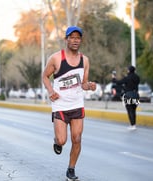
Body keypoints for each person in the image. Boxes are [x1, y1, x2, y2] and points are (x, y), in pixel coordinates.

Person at [42, 26, 96, 180]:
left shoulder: (84, 60)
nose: (75, 40)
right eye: (71, 37)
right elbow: (45, 76)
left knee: (77, 138)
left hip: (77, 104)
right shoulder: (56, 58)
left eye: (77, 38)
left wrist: (90, 86)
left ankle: (71, 169)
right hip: (60, 105)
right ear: (66, 39)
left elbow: (83, 84)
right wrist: (51, 91)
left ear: (81, 40)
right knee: (62, 140)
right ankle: (56, 142)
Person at [112, 65, 140, 130]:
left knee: (129, 110)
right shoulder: (137, 77)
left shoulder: (127, 78)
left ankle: (132, 125)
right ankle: (134, 124)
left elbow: (118, 82)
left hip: (129, 95)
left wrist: (113, 78)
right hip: (136, 95)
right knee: (133, 110)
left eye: (127, 70)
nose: (127, 71)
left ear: (129, 70)